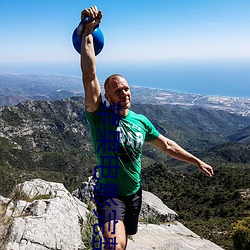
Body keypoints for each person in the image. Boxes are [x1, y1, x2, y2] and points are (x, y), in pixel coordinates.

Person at [79, 6, 214, 250]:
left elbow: (168, 145)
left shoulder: (141, 121)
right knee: (114, 245)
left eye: (127, 88)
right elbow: (89, 74)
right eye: (117, 90)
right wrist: (87, 31)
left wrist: (196, 161)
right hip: (109, 194)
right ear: (107, 96)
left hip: (134, 193)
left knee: (125, 240)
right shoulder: (99, 116)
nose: (124, 92)